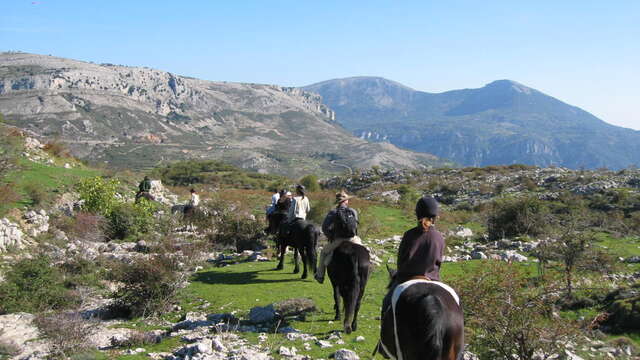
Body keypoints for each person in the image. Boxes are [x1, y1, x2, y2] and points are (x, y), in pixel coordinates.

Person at [381, 195, 444, 312]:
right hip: (432, 279)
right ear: (434, 217)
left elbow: (400, 262)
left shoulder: (409, 235)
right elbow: (438, 263)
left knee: (387, 302)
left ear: (417, 214)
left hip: (406, 278)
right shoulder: (439, 237)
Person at [314, 190, 363, 284]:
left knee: (323, 253)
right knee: (364, 251)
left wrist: (330, 236)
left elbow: (324, 227)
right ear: (346, 201)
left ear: (338, 202)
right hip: (352, 238)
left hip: (338, 239)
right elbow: (356, 225)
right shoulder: (353, 211)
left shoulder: (333, 212)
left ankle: (320, 276)